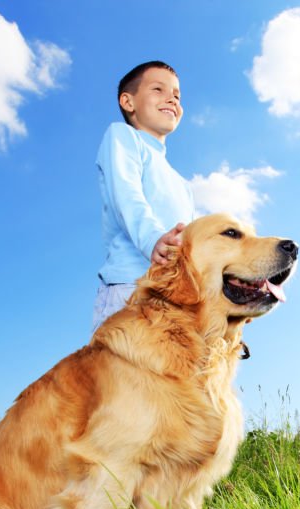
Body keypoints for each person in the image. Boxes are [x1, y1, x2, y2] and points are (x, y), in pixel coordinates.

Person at [91, 60, 195, 333]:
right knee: (121, 374)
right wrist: (153, 241)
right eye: (158, 89)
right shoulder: (123, 137)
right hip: (130, 289)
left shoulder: (182, 184)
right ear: (128, 102)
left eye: (177, 94)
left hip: (173, 298)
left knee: (169, 375)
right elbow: (126, 196)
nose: (171, 98)